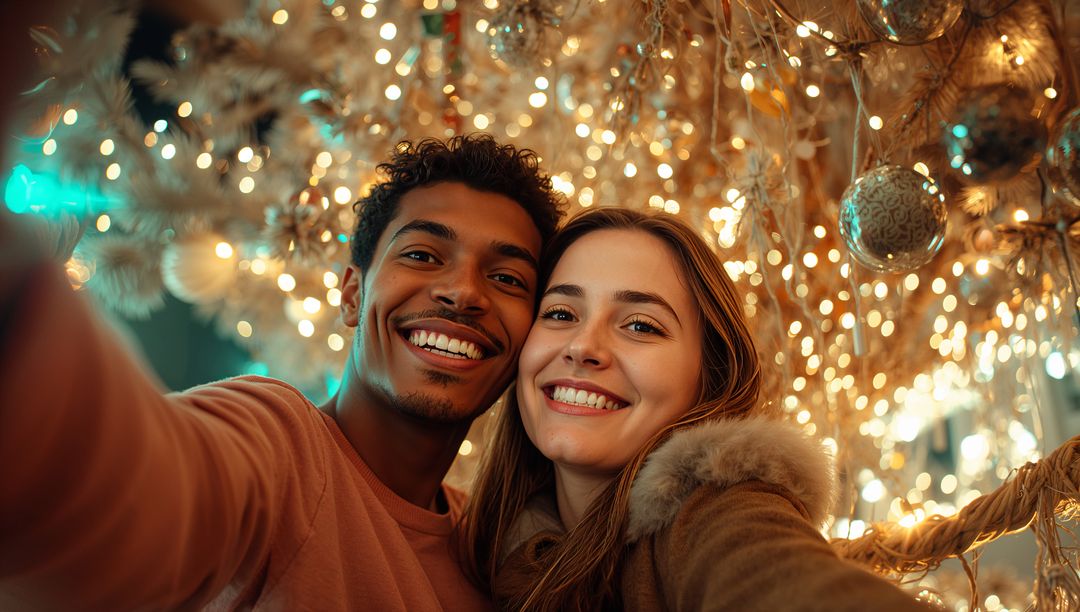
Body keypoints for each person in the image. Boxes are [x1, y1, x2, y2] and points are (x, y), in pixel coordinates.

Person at [0, 134, 564, 610]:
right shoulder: (276, 444)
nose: (463, 292)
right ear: (351, 294)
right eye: (421, 255)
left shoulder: (495, 554)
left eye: (508, 279)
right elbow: (124, 502)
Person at [461, 208, 932, 611]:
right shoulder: (478, 546)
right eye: (561, 314)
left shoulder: (719, 513)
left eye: (641, 326)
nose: (583, 346)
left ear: (712, 378)